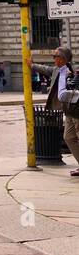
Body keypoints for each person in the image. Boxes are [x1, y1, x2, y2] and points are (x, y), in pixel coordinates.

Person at [34, 48, 79, 176]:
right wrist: (32, 65)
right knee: (69, 137)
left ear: (63, 58)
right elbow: (45, 69)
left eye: (55, 56)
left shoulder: (73, 73)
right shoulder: (57, 70)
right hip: (68, 110)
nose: (53, 58)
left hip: (76, 110)